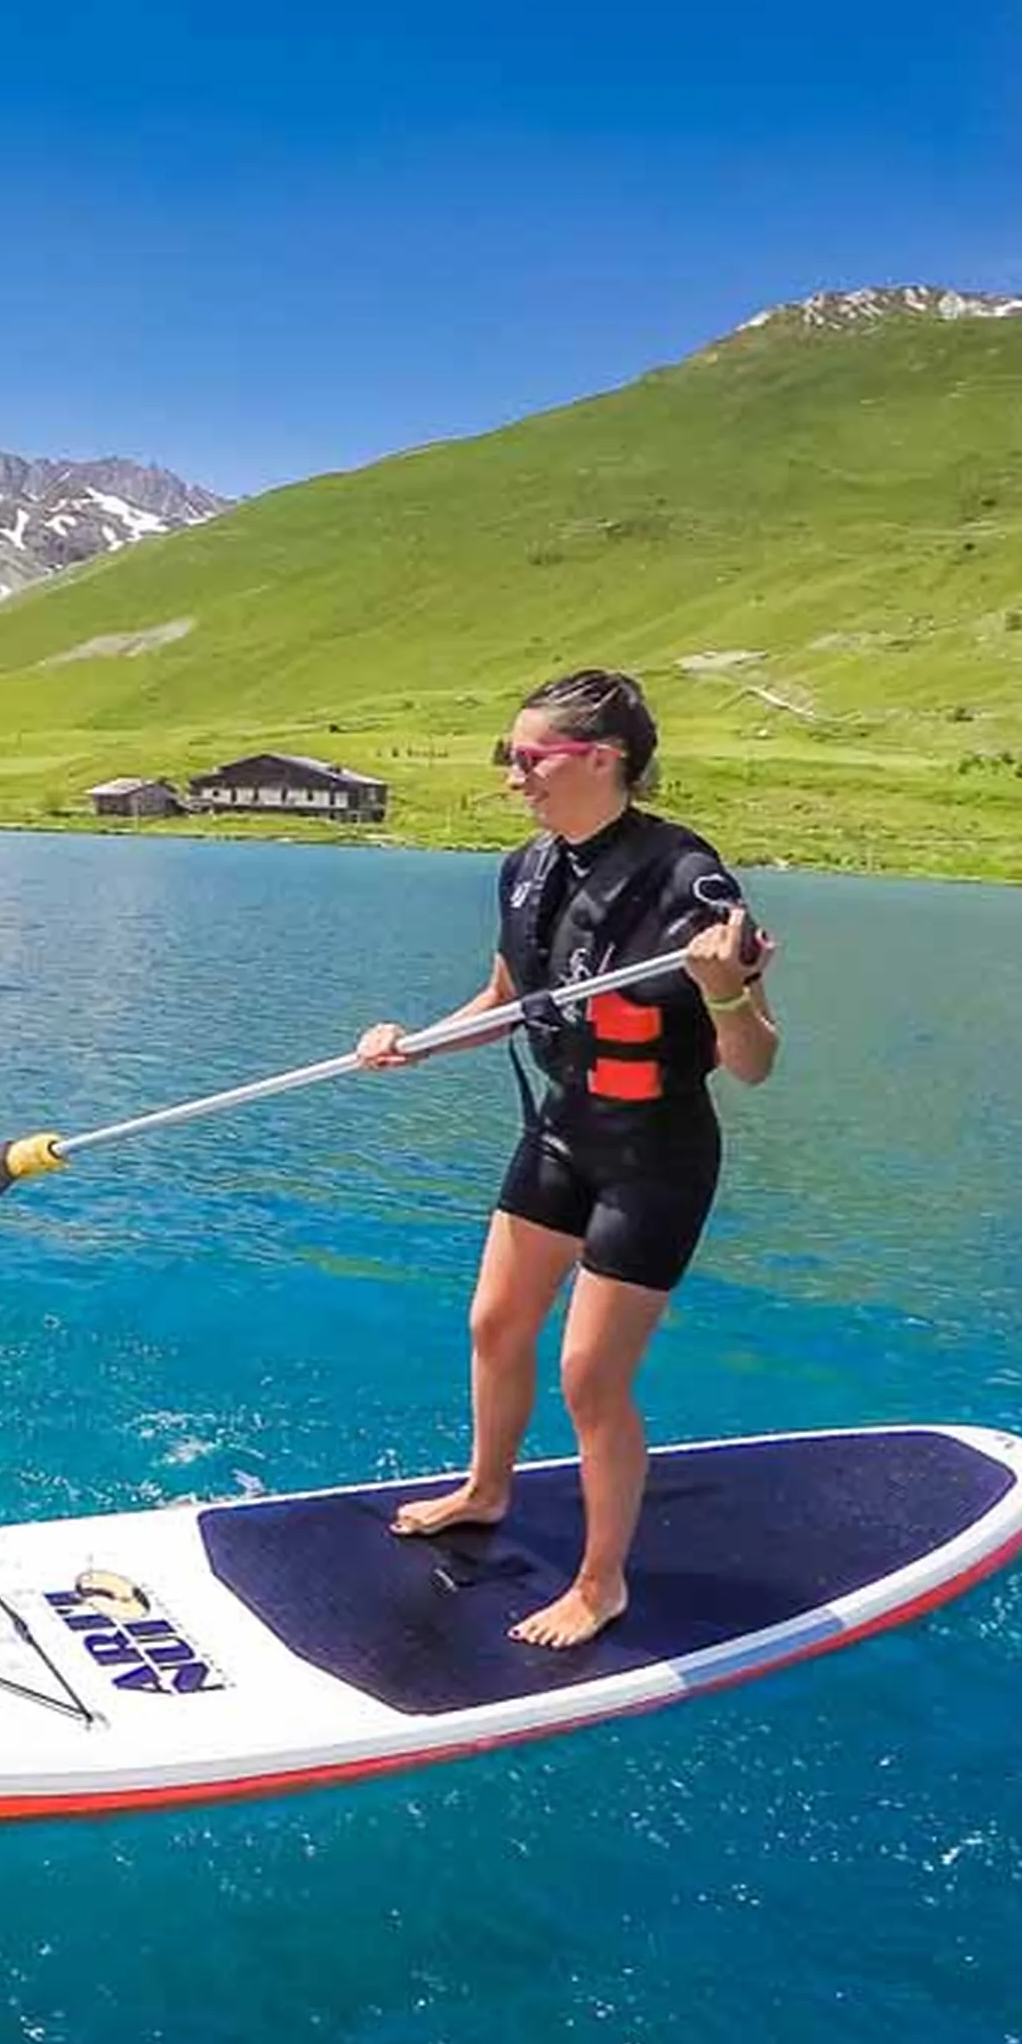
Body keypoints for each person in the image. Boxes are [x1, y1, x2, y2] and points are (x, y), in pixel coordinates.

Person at [353, 669, 781, 1647]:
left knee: (589, 1375)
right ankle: (485, 1489)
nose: (515, 779)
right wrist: (409, 1043)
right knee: (496, 1322)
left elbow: (754, 1061)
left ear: (603, 759)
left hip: (656, 1154)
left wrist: (722, 990)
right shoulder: (524, 870)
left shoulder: (690, 881)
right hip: (560, 1129)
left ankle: (600, 1582)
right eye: (512, 759)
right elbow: (504, 996)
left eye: (530, 759)